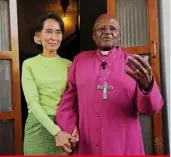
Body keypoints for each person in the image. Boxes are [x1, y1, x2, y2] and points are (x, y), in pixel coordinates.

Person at [55, 14, 164, 155]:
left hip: (124, 145)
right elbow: (68, 103)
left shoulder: (133, 63)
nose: (107, 31)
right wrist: (69, 128)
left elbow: (151, 109)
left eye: (113, 28)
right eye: (101, 28)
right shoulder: (80, 61)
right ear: (93, 36)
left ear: (119, 36)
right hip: (88, 144)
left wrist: (147, 87)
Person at [21, 12, 78, 155]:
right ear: (37, 36)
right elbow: (33, 104)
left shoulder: (69, 65)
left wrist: (75, 125)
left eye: (58, 32)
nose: (54, 37)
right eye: (48, 32)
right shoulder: (29, 64)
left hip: (64, 126)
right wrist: (56, 132)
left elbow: (75, 100)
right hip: (38, 128)